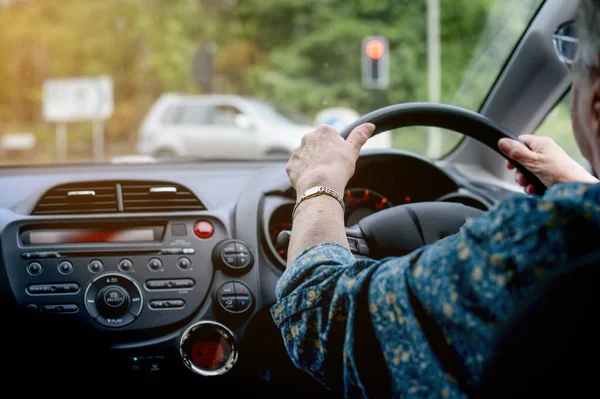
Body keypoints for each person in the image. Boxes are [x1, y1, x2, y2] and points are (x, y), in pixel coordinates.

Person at [270, 1, 600, 398]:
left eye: (572, 54)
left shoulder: (538, 246)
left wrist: (318, 181)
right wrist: (584, 189)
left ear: (596, 106)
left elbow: (318, 316)